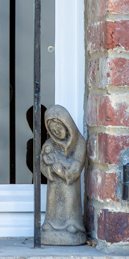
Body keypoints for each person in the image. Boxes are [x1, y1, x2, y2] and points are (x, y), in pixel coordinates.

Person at [40, 105, 87, 246]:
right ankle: (50, 224)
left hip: (68, 183)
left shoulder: (79, 143)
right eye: (53, 130)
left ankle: (72, 224)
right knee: (52, 199)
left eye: (59, 128)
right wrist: (51, 170)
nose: (57, 132)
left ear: (67, 126)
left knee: (69, 199)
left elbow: (77, 165)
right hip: (54, 183)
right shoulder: (49, 144)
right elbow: (42, 163)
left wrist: (63, 173)